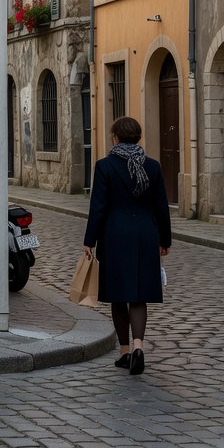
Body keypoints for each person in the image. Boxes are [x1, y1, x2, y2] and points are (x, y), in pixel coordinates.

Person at [84, 116, 172, 376]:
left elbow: (98, 207)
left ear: (116, 137)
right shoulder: (152, 166)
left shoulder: (105, 166)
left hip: (115, 235)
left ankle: (124, 352)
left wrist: (89, 240)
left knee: (118, 295)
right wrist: (165, 240)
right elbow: (161, 207)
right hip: (146, 234)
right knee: (138, 294)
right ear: (138, 137)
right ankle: (138, 346)